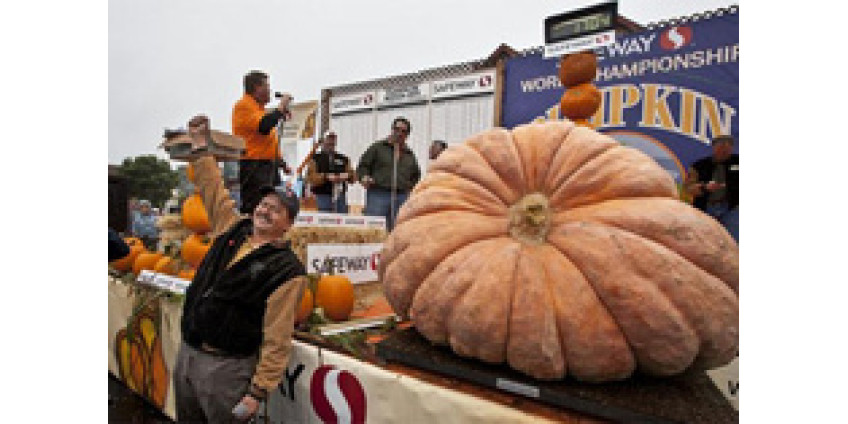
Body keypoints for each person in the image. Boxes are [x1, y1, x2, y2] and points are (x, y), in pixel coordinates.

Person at [174, 114, 307, 423]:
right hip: (188, 353)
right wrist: (200, 145)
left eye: (277, 210)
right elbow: (213, 190)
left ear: (288, 224)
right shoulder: (231, 229)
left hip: (226, 369)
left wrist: (258, 391)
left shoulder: (287, 271)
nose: (265, 211)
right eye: (264, 205)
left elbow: (277, 336)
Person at [232, 70, 294, 215]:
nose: (269, 91)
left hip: (268, 165)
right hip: (254, 165)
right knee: (256, 206)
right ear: (256, 88)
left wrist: (281, 163)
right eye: (266, 86)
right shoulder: (244, 106)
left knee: (274, 206)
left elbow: (267, 141)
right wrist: (280, 108)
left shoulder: (259, 109)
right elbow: (264, 127)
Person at [357, 117, 421, 231]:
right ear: (392, 129)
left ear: (407, 135)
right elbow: (363, 166)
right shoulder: (377, 148)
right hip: (379, 193)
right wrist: (364, 177)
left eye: (403, 131)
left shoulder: (409, 154)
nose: (399, 133)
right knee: (374, 229)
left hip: (401, 196)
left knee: (399, 229)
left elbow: (416, 175)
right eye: (397, 129)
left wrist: (410, 189)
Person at [686, 134, 739, 241]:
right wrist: (704, 187)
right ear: (714, 147)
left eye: (728, 147)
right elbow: (688, 188)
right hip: (706, 209)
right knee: (704, 240)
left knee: (734, 240)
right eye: (721, 146)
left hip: (732, 209)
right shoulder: (699, 166)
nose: (724, 150)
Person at [306, 130, 356, 213]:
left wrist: (347, 176)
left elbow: (353, 177)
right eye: (329, 139)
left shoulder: (344, 159)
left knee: (342, 218)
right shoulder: (315, 159)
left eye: (333, 139)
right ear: (323, 142)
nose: (331, 142)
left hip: (340, 197)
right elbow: (311, 178)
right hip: (321, 196)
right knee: (323, 218)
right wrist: (326, 177)